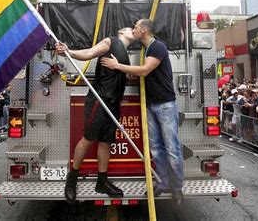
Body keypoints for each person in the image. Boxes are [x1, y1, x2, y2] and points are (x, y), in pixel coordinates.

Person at [101, 19, 185, 205]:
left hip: (165, 105)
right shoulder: (147, 50)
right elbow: (145, 72)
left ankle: (177, 187)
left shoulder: (157, 47)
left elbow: (146, 70)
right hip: (150, 104)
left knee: (172, 148)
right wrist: (130, 74)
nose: (134, 30)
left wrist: (117, 66)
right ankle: (163, 183)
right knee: (156, 148)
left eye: (136, 28)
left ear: (145, 30)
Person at [56, 27, 135, 203]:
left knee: (106, 141)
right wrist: (68, 51)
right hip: (99, 100)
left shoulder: (124, 53)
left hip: (114, 102)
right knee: (88, 139)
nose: (134, 30)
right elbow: (89, 53)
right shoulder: (111, 42)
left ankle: (102, 181)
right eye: (131, 28)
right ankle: (72, 179)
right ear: (121, 31)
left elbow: (122, 76)